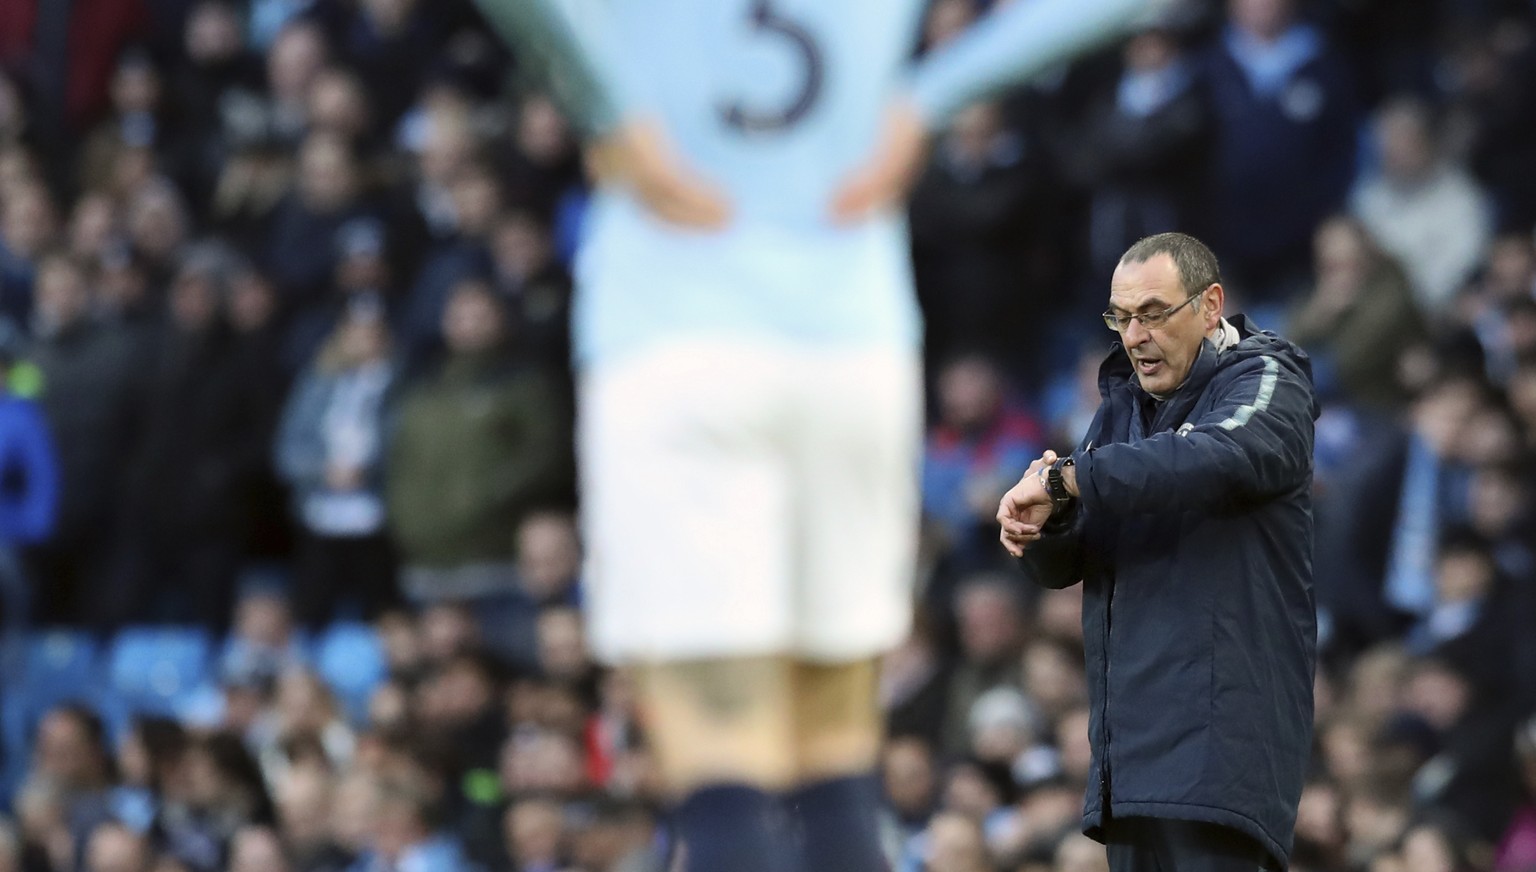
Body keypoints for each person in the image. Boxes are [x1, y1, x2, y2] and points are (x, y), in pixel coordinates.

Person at [471, 3, 1164, 872]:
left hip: (668, 334)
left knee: (716, 749)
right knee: (835, 749)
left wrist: (607, 107)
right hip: (847, 339)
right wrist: (931, 99)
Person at [997, 233, 1318, 872]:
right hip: (1130, 765)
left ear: (1210, 305)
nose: (1135, 336)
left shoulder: (1266, 379)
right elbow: (1069, 563)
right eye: (1121, 318)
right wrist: (1047, 527)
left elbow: (1216, 458)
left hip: (1219, 760)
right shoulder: (1120, 413)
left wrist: (1070, 478)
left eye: (1152, 313)